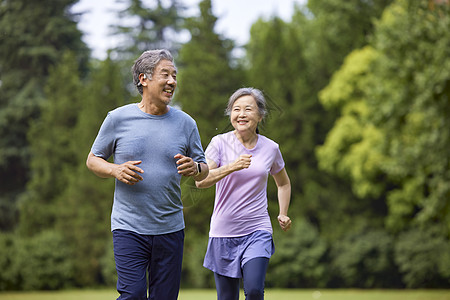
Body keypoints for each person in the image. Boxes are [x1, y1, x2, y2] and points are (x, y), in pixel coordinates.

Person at [86, 49, 209, 300]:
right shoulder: (118, 118)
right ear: (144, 79)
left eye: (175, 75)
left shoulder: (186, 123)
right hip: (128, 226)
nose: (172, 81)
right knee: (133, 294)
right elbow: (92, 160)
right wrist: (115, 169)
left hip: (170, 228)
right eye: (165, 74)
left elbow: (203, 169)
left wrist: (195, 168)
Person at [196, 87, 292, 300]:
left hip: (257, 230)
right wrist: (231, 166)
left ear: (260, 115)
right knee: (227, 298)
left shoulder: (271, 148)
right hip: (223, 233)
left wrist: (283, 212)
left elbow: (283, 183)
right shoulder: (219, 143)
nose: (241, 114)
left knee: (255, 291)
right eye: (236, 109)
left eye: (248, 109)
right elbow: (201, 181)